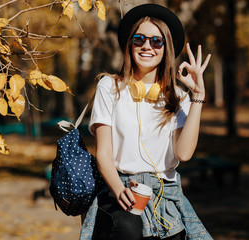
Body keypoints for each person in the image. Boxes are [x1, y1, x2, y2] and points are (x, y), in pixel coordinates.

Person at [80, 3, 212, 240]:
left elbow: (184, 153)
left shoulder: (179, 97)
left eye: (156, 41)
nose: (147, 46)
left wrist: (197, 97)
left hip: (167, 196)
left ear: (166, 49)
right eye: (139, 39)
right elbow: (104, 154)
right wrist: (119, 190)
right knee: (129, 232)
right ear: (130, 44)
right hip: (123, 190)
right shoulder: (109, 87)